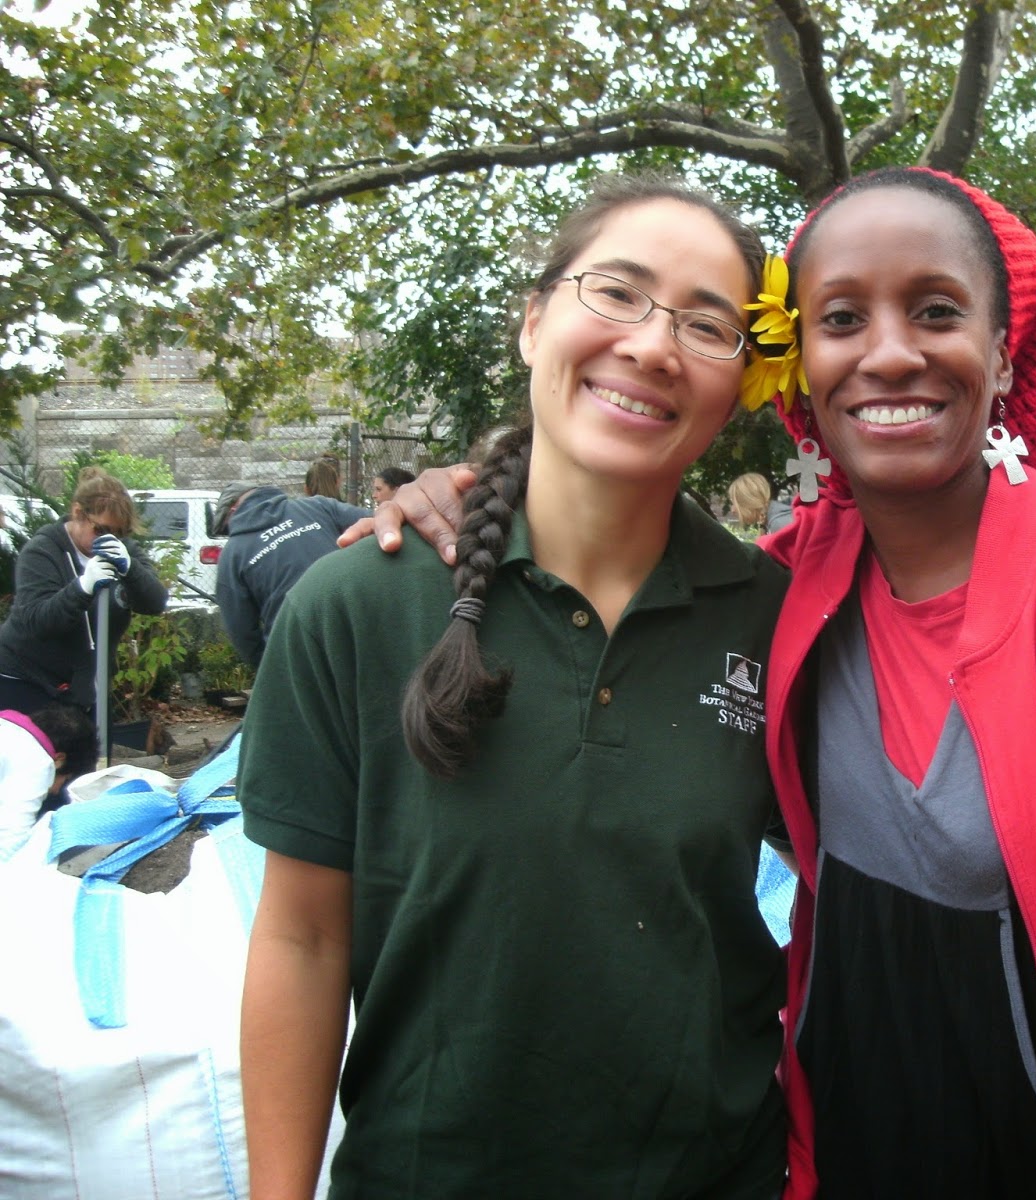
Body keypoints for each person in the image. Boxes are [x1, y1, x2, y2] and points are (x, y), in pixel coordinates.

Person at [366, 166, 1036, 1198]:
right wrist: (457, 498)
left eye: (936, 311)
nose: (889, 353)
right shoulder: (777, 595)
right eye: (841, 319)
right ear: (798, 365)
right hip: (845, 1147)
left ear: (1000, 351)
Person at [237, 174, 789, 1199]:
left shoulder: (779, 620)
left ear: (743, 383)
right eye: (616, 292)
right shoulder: (356, 605)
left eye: (708, 325)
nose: (653, 345)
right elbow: (302, 938)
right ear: (533, 323)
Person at [0, 469, 167, 718]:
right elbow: (37, 622)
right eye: (102, 529)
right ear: (78, 513)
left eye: (120, 533)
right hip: (27, 680)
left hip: (85, 686)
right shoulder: (42, 551)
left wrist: (130, 568)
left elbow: (155, 602)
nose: (110, 539)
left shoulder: (122, 550)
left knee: (94, 744)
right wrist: (82, 588)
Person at [211, 481, 371, 668]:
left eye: (227, 528)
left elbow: (242, 632)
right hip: (361, 623)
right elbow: (381, 525)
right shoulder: (317, 506)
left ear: (233, 510)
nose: (231, 533)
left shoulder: (232, 555)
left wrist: (272, 669)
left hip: (300, 653)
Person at [0, 702, 97, 860]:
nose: (56, 791)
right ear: (59, 760)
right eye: (64, 780)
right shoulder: (36, 758)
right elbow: (12, 838)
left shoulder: (6, 727)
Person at [726, 471, 772, 537]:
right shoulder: (769, 522)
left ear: (749, 501)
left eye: (735, 504)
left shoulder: (778, 524)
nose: (733, 510)